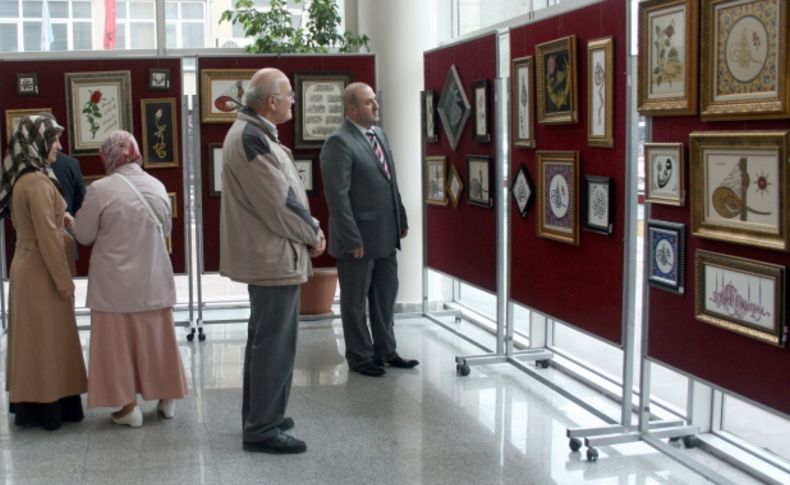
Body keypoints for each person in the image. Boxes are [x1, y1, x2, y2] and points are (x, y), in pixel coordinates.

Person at [220, 68, 325, 454]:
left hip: (274, 254)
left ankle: (263, 414)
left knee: (266, 343)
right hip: (273, 257)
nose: (293, 101)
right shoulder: (251, 137)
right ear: (270, 101)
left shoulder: (254, 133)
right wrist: (312, 233)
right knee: (274, 346)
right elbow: (280, 202)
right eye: (288, 95)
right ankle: (262, 428)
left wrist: (308, 230)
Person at [71, 130, 187, 428]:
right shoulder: (157, 186)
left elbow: (84, 235)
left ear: (108, 155)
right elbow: (167, 231)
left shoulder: (101, 189)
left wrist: (69, 220)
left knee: (117, 347)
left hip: (114, 286)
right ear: (135, 152)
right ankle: (167, 398)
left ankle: (127, 408)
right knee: (157, 341)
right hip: (153, 280)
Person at [320, 82, 418, 377]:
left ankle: (386, 351)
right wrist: (351, 237)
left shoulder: (380, 135)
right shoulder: (338, 142)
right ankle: (360, 357)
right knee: (354, 301)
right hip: (358, 239)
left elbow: (391, 182)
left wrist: (400, 217)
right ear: (351, 108)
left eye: (375, 100)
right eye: (368, 102)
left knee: (385, 295)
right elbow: (337, 196)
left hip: (386, 234)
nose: (376, 106)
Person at [0, 114, 87, 430]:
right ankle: (49, 409)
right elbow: (48, 237)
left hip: (34, 268)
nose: (59, 146)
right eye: (54, 140)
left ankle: (46, 405)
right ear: (37, 142)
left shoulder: (34, 176)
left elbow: (59, 215)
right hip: (41, 272)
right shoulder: (36, 182)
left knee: (40, 341)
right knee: (44, 342)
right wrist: (65, 282)